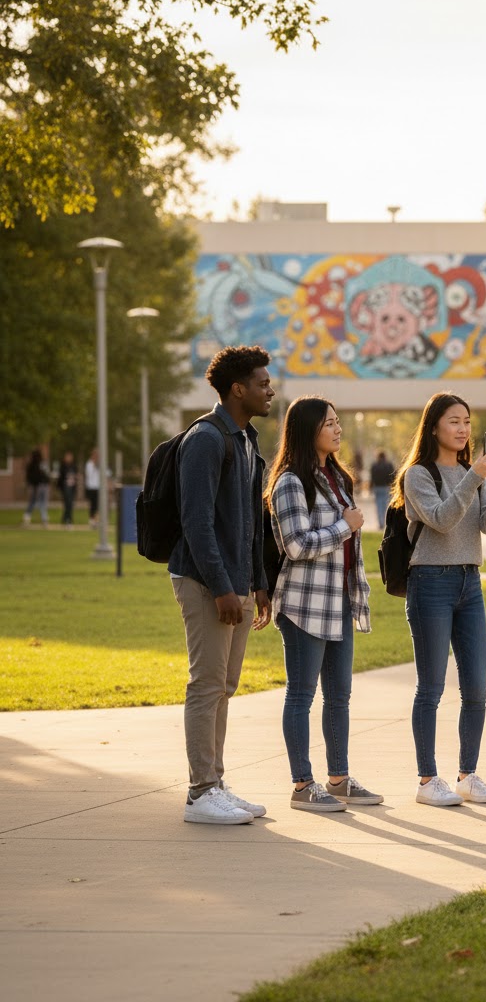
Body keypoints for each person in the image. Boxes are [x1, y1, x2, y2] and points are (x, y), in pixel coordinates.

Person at [171, 345, 275, 825]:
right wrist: (220, 587)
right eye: (261, 382)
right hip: (203, 578)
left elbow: (251, 520)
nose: (269, 389)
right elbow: (196, 522)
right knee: (207, 683)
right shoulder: (206, 439)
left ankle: (215, 780)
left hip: (234, 580)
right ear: (238, 389)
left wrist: (257, 583)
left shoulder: (247, 440)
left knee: (226, 685)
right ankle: (200, 792)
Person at [392, 391, 486, 807]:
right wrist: (474, 477)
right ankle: (428, 779)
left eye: (467, 421)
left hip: (469, 582)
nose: (463, 429)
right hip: (430, 583)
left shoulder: (468, 471)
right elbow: (442, 520)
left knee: (476, 687)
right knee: (431, 687)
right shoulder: (418, 475)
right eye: (454, 421)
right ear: (435, 426)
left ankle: (468, 774)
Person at [266, 397, 381, 813]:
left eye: (338, 422)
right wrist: (343, 526)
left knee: (339, 696)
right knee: (301, 694)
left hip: (338, 602)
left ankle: (338, 779)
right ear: (307, 429)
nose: (337, 429)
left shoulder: (336, 477)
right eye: (329, 423)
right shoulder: (290, 482)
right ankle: (302, 785)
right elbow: (295, 545)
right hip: (303, 604)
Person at [22, 448, 51, 527]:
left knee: (33, 502)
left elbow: (29, 477)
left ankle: (27, 518)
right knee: (42, 503)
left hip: (36, 486)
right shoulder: (42, 464)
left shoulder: (31, 465)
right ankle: (44, 520)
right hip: (41, 486)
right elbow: (46, 475)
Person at [369, 450, 396, 529]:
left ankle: (381, 523)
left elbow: (372, 477)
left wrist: (371, 487)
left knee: (379, 505)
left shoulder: (374, 465)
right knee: (387, 505)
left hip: (377, 487)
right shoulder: (389, 465)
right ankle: (387, 522)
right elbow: (393, 477)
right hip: (387, 487)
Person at [56, 451, 79, 527]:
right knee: (67, 503)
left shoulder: (74, 466)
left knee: (70, 503)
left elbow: (76, 476)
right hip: (65, 487)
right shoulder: (63, 466)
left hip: (72, 487)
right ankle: (67, 519)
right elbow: (60, 478)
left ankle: (66, 518)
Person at [84, 448, 100, 528]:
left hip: (98, 487)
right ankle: (91, 520)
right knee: (92, 504)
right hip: (91, 487)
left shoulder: (99, 464)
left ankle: (96, 521)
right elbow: (89, 474)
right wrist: (94, 465)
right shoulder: (89, 464)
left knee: (97, 505)